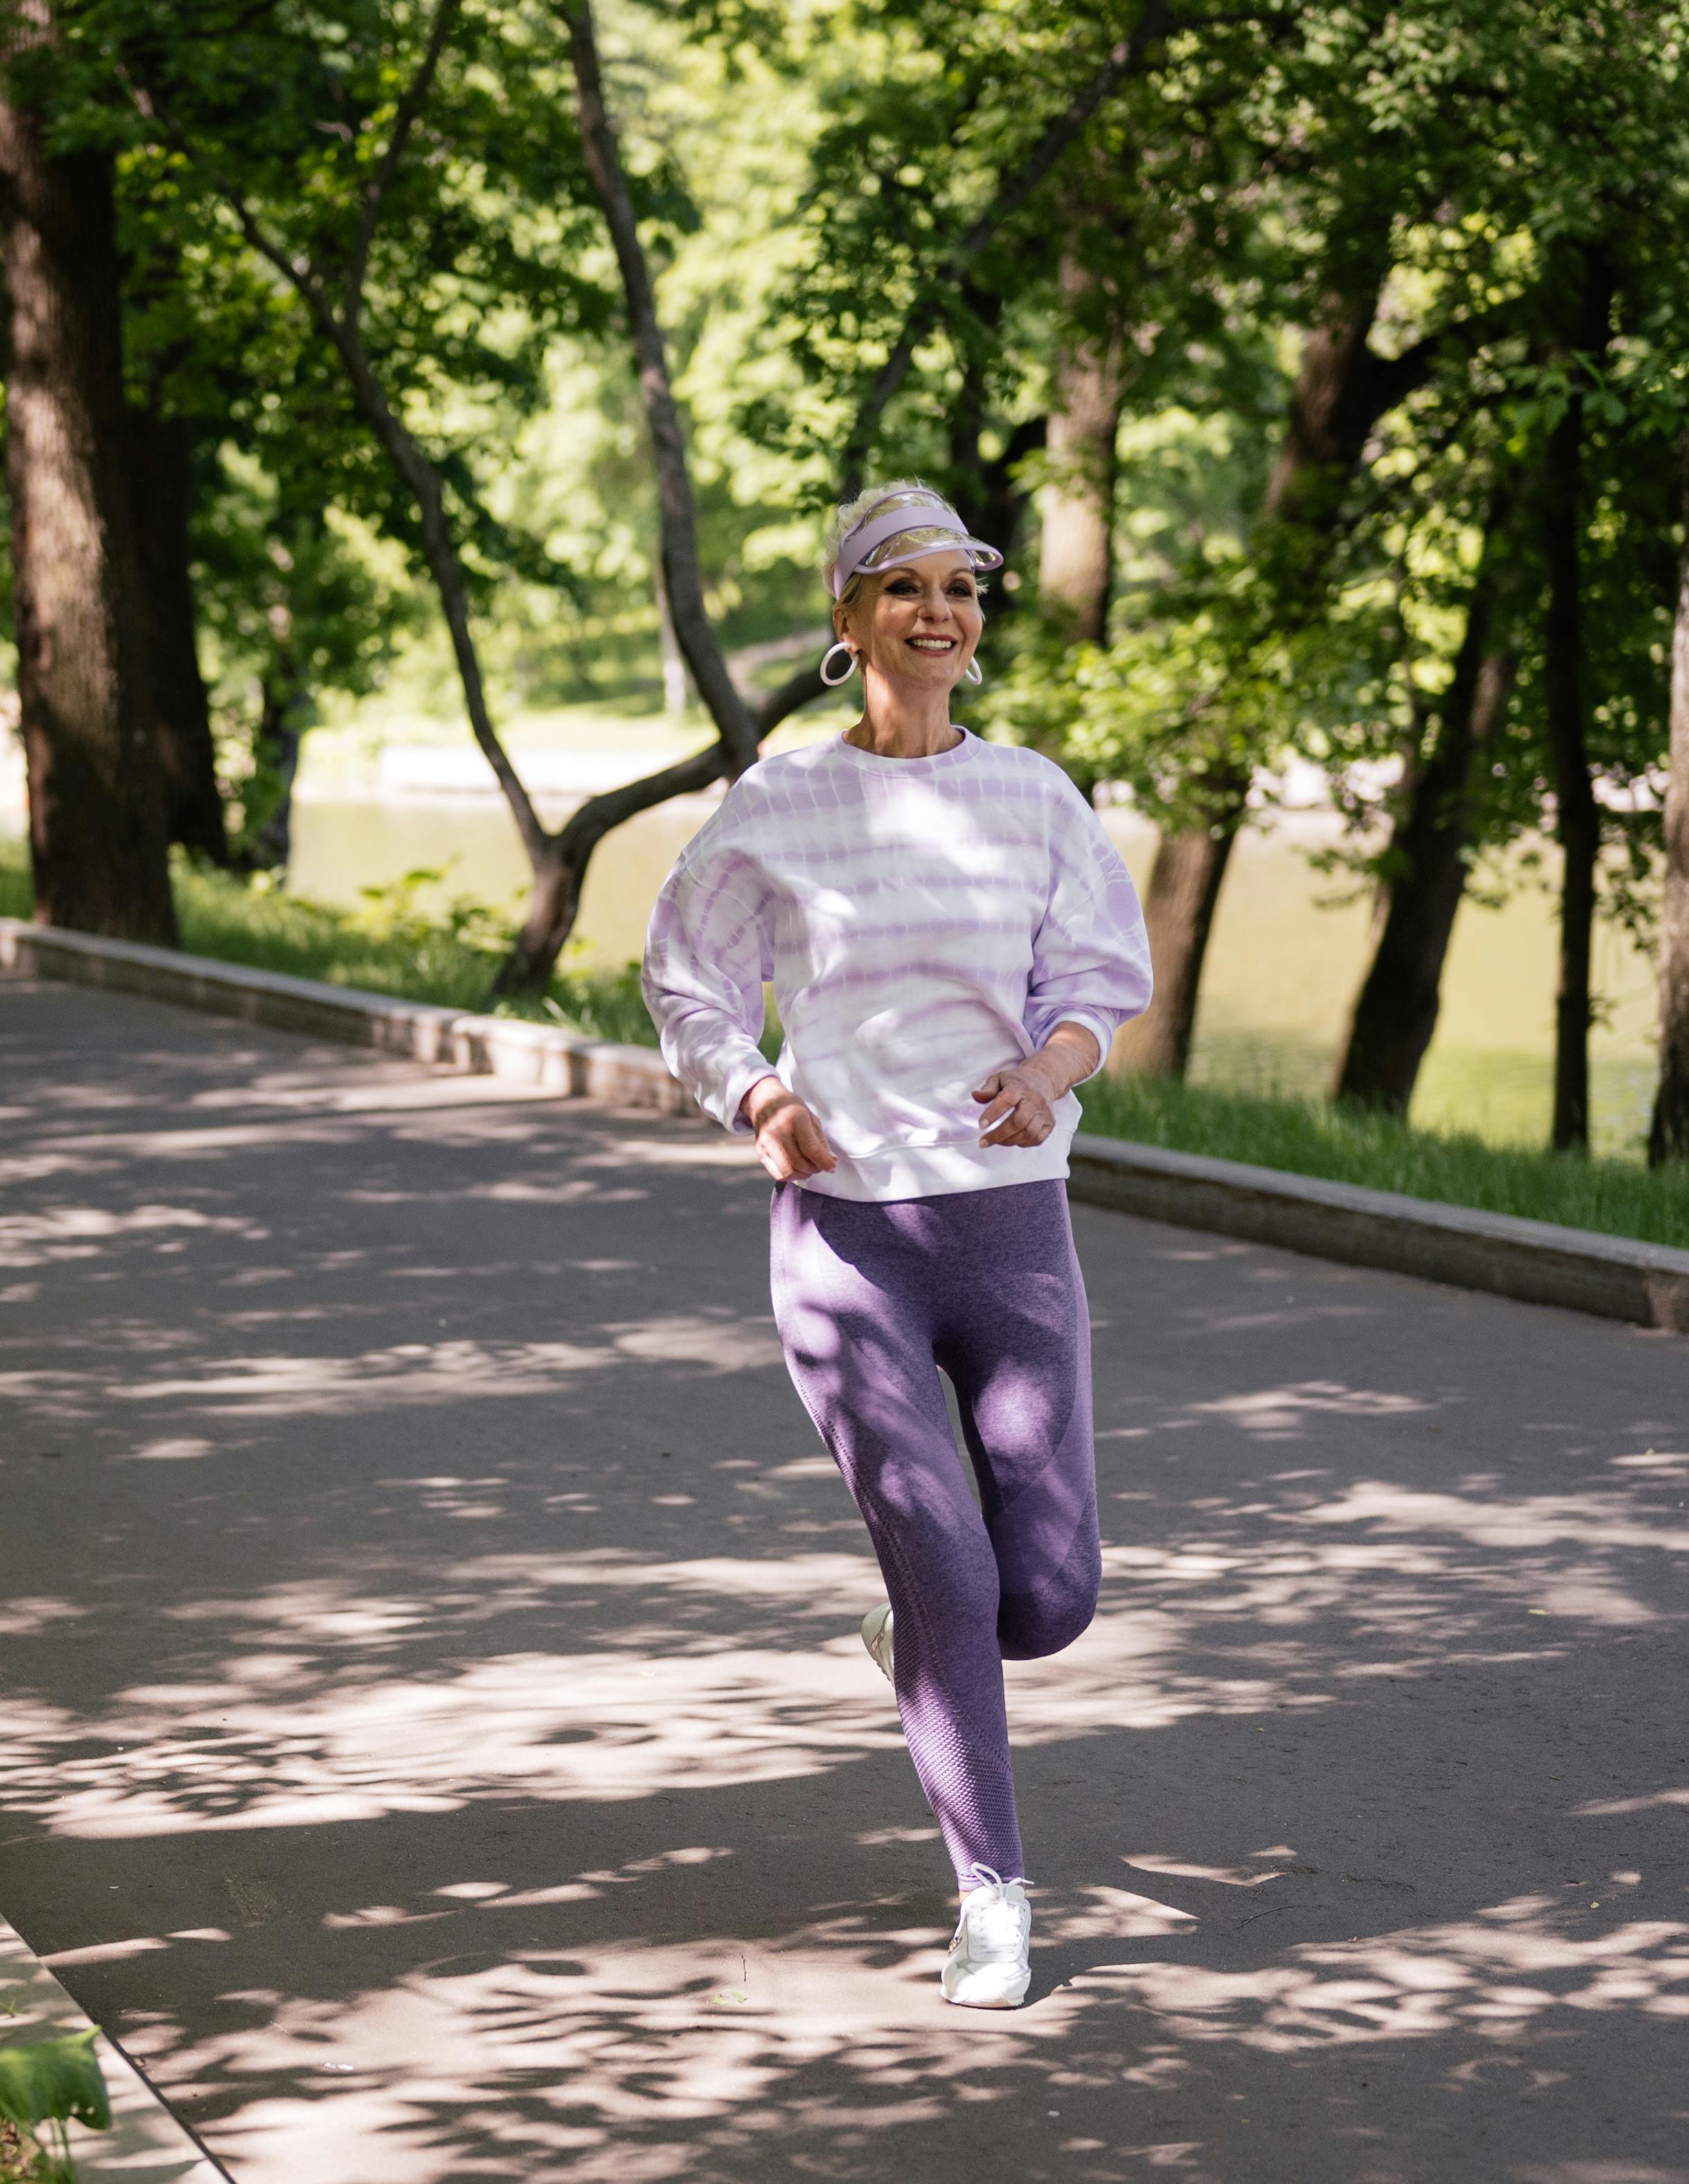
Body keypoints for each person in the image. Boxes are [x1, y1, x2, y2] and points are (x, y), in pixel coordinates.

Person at [641, 480, 1154, 2009]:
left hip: (1012, 1231)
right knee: (946, 1556)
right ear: (850, 618)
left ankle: (925, 1631)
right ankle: (992, 1891)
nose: (941, 610)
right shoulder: (781, 804)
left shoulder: (1036, 796)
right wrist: (754, 1091)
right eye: (906, 587)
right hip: (850, 1252)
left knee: (1043, 1598)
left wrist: (1049, 1068)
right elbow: (686, 977)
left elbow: (1099, 977)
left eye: (962, 588)